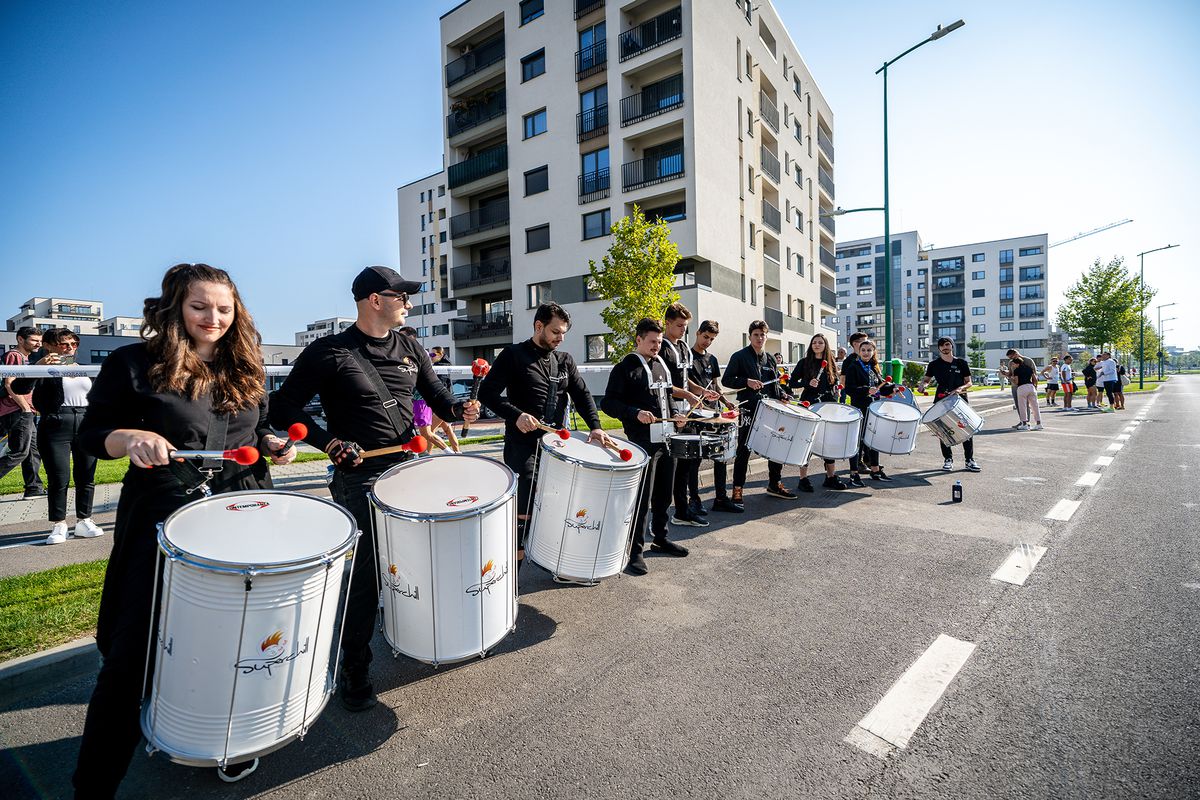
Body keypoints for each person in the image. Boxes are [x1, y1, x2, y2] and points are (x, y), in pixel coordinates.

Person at [72, 264, 296, 797]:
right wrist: (130, 438)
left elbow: (258, 427)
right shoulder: (134, 363)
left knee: (237, 638)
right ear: (175, 308)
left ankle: (228, 739)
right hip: (164, 519)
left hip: (243, 517)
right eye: (199, 307)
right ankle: (93, 785)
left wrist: (272, 444)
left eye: (224, 308)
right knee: (133, 652)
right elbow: (92, 435)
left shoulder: (246, 362)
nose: (213, 318)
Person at [269, 265, 479, 713]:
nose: (409, 303)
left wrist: (460, 408)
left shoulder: (410, 346)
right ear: (374, 300)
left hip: (408, 468)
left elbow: (437, 396)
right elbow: (282, 407)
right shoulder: (329, 352)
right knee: (365, 574)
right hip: (359, 474)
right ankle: (354, 667)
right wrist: (328, 443)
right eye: (401, 296)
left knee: (415, 559)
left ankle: (416, 634)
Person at [478, 302, 608, 557]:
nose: (561, 338)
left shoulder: (564, 361)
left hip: (556, 446)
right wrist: (516, 415)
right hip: (522, 445)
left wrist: (596, 427)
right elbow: (487, 393)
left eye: (563, 333)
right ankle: (513, 567)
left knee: (558, 504)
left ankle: (555, 560)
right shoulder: (513, 355)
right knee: (524, 507)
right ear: (539, 326)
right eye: (555, 332)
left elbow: (582, 396)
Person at [601, 318, 689, 576]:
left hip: (667, 439)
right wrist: (634, 412)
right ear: (638, 339)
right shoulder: (625, 368)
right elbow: (608, 403)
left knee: (664, 495)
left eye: (659, 342)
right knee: (642, 500)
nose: (656, 346)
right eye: (652, 341)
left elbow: (667, 397)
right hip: (641, 443)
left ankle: (660, 538)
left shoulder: (661, 364)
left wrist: (676, 415)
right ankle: (634, 551)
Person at [9, 328, 102, 544]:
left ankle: (84, 520)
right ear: (48, 346)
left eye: (74, 344)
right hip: (55, 423)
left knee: (86, 476)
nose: (70, 348)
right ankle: (59, 524)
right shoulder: (43, 368)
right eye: (64, 344)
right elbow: (18, 387)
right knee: (59, 477)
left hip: (86, 422)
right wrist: (39, 367)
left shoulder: (84, 368)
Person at [723, 320, 796, 502]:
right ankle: (737, 489)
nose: (759, 338)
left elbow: (775, 386)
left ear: (766, 336)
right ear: (750, 336)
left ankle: (774, 484)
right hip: (748, 409)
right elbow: (726, 380)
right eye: (756, 335)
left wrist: (782, 396)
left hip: (770, 411)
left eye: (762, 335)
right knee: (744, 450)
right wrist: (746, 381)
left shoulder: (770, 359)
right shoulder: (739, 356)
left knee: (775, 447)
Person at [658, 302, 714, 527]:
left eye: (686, 326)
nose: (683, 330)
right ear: (668, 323)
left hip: (686, 413)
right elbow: (663, 385)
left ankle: (682, 511)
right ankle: (660, 517)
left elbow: (684, 380)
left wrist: (701, 391)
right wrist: (688, 395)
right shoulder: (661, 347)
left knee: (685, 465)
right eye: (680, 325)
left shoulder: (682, 347)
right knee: (670, 468)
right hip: (669, 412)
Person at [680, 320, 742, 514]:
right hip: (695, 414)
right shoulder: (687, 356)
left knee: (720, 457)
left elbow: (715, 385)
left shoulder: (712, 359)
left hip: (714, 414)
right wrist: (699, 393)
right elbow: (683, 381)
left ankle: (721, 498)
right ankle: (694, 500)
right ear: (697, 333)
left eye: (712, 339)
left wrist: (726, 402)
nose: (707, 341)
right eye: (705, 337)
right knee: (695, 459)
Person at [792, 333, 848, 491]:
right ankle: (803, 479)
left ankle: (830, 477)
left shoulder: (831, 363)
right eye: (814, 342)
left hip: (827, 405)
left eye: (820, 343)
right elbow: (791, 382)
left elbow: (833, 383)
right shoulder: (804, 362)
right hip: (809, 404)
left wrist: (836, 389)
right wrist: (807, 383)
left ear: (825, 345)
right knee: (807, 441)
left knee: (828, 441)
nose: (817, 345)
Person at [918, 337, 982, 472]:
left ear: (952, 346)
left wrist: (960, 389)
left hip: (959, 399)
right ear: (939, 348)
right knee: (943, 431)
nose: (945, 347)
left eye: (947, 344)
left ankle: (969, 460)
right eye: (942, 345)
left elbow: (969, 382)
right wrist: (923, 385)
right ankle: (948, 459)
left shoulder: (961, 363)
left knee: (966, 429)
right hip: (941, 399)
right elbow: (927, 380)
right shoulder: (934, 365)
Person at [0, 326, 46, 498]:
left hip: (25, 410)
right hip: (16, 410)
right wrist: (25, 407)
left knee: (33, 451)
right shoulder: (15, 355)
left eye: (40, 341)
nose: (38, 344)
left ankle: (34, 488)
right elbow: (9, 384)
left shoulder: (26, 359)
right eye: (34, 340)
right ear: (20, 339)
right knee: (19, 451)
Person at [842, 337, 890, 485]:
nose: (866, 352)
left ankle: (875, 470)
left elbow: (881, 386)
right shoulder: (853, 367)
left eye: (869, 350)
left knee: (873, 439)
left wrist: (893, 388)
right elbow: (849, 389)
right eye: (863, 350)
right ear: (859, 351)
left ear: (874, 352)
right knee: (858, 441)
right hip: (859, 407)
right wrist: (866, 390)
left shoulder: (874, 367)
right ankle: (854, 473)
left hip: (873, 408)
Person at [1011, 356, 1042, 430]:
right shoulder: (1029, 368)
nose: (1012, 365)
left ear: (1017, 364)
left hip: (1022, 387)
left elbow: (1016, 382)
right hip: (1031, 386)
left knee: (1022, 406)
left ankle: (1024, 424)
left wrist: (1011, 379)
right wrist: (1035, 386)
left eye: (1013, 364)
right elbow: (1035, 379)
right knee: (1035, 406)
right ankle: (1039, 423)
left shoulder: (1016, 370)